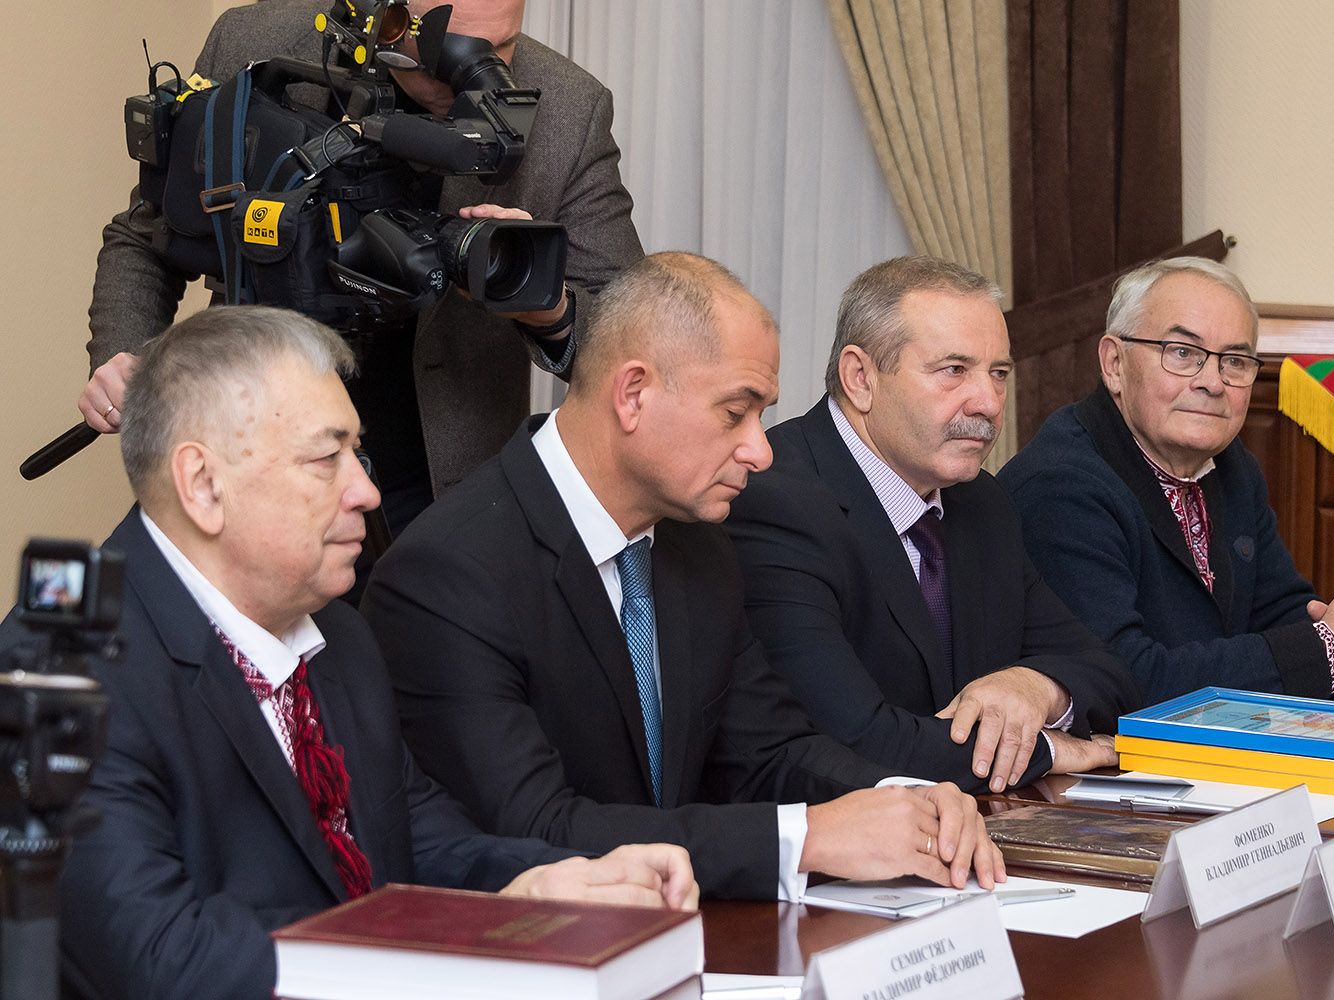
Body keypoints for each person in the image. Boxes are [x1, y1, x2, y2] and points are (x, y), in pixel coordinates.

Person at [4, 306, 696, 1000]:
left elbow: (413, 836)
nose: (366, 491)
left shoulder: (340, 635)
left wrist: (539, 881)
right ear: (204, 484)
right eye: (324, 459)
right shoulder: (61, 673)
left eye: (357, 456)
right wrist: (435, 944)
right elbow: (159, 958)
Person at [362, 252, 1004, 901]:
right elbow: (533, 830)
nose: (761, 450)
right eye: (734, 413)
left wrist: (906, 799)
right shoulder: (446, 574)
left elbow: (768, 751)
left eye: (762, 415)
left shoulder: (698, 545)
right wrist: (802, 838)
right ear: (633, 394)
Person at [80, 0, 643, 536]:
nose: (475, 74)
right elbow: (145, 236)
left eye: (500, 47)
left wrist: (546, 307)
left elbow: (633, 341)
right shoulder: (251, 43)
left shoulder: (569, 108)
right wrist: (125, 356)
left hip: (436, 492)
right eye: (450, 48)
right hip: (247, 459)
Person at [723, 256, 1136, 795]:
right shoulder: (776, 501)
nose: (988, 403)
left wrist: (1036, 687)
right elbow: (857, 741)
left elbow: (1111, 675)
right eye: (954, 371)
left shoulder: (982, 501)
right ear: (860, 378)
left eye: (999, 374)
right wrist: (1052, 750)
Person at [999, 257, 1334, 706]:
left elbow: (1278, 611)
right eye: (1182, 353)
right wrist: (1331, 651)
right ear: (1114, 364)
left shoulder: (1230, 464)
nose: (1213, 383)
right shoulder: (1059, 486)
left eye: (1234, 361)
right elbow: (1121, 682)